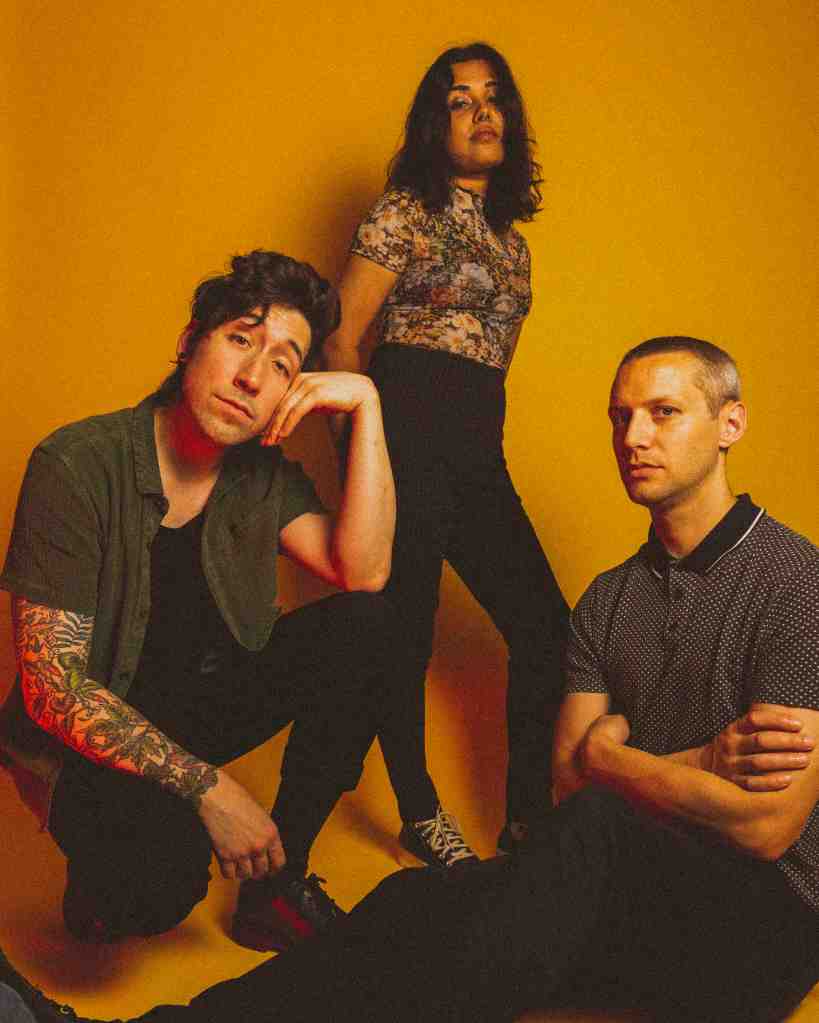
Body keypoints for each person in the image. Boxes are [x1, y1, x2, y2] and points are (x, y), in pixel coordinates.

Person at [5, 336, 816, 1023]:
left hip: (762, 931)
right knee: (413, 904)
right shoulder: (608, 601)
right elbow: (566, 785)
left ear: (729, 423)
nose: (632, 436)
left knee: (567, 853)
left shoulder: (794, 584)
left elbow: (765, 828)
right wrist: (689, 765)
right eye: (619, 415)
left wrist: (613, 760)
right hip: (620, 906)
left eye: (663, 413)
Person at [0, 249, 397, 953]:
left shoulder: (263, 478)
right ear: (190, 341)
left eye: (283, 365)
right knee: (155, 883)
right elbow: (54, 690)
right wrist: (211, 789)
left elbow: (363, 572)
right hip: (84, 735)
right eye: (241, 339)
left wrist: (367, 406)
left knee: (370, 625)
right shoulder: (77, 464)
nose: (252, 377)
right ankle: (101, 874)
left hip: (195, 706)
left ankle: (275, 886)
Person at [324, 41, 569, 867]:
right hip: (403, 438)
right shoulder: (402, 211)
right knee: (405, 633)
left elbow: (490, 364)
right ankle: (419, 809)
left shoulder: (512, 244)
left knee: (546, 628)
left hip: (475, 452)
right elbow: (342, 338)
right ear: (435, 123)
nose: (480, 112)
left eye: (493, 96)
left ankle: (527, 817)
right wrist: (362, 462)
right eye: (459, 100)